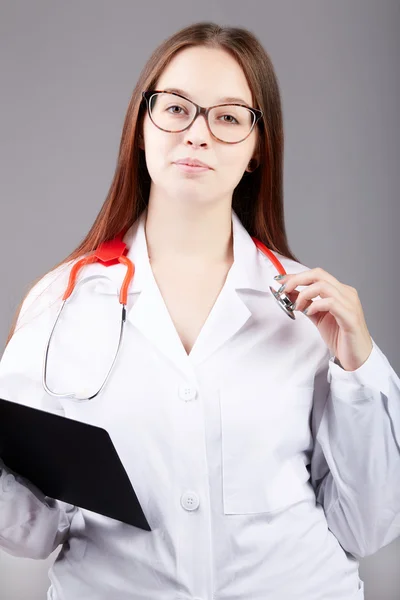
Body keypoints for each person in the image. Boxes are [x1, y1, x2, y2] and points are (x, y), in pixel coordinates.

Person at [0, 21, 399, 600]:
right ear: (142, 127)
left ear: (259, 149)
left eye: (229, 117)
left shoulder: (312, 311)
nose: (197, 135)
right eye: (176, 108)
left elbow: (364, 526)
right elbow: (34, 531)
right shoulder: (61, 303)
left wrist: (359, 371)